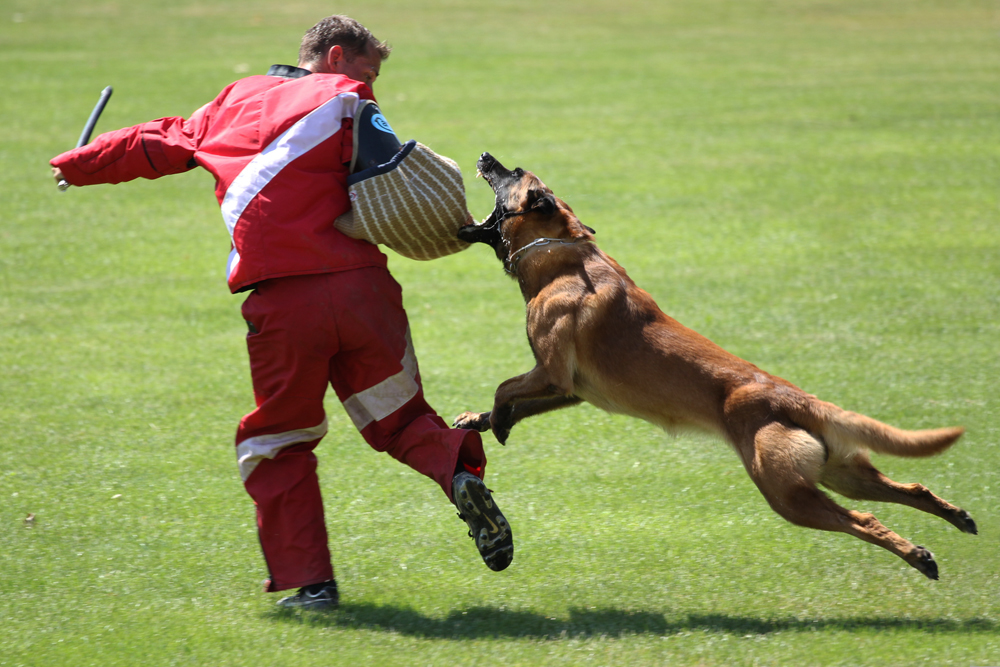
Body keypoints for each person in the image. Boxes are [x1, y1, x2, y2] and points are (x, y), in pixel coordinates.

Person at [50, 15, 513, 610]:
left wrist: (78, 163)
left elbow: (154, 140)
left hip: (283, 307)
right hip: (363, 293)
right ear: (337, 55)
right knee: (398, 419)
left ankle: (311, 585)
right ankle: (459, 477)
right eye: (370, 68)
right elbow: (395, 176)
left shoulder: (230, 102)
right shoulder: (349, 100)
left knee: (278, 440)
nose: (373, 81)